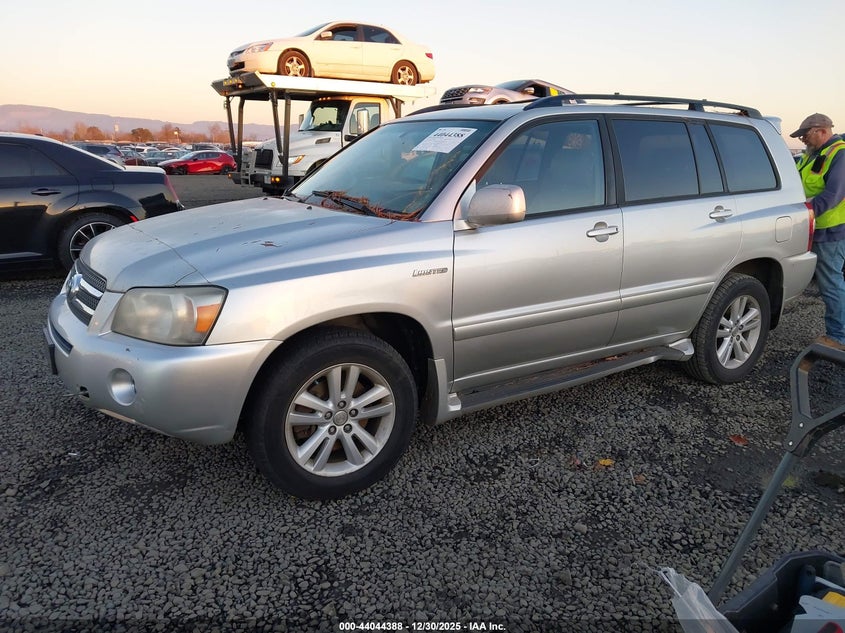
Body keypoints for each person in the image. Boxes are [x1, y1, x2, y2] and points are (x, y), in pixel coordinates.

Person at [791, 113, 845, 350]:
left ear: (822, 131)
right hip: (812, 227)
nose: (803, 139)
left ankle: (838, 337)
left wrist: (802, 214)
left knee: (831, 283)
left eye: (805, 134)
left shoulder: (839, 155)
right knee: (826, 281)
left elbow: (832, 196)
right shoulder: (811, 154)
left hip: (830, 231)